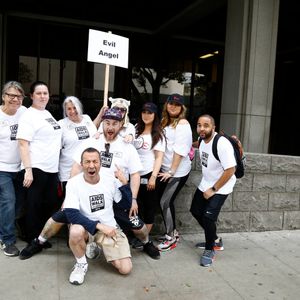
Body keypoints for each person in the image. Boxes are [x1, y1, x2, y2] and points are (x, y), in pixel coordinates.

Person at [64, 147, 132, 285]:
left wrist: (124, 183)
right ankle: (81, 264)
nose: (91, 165)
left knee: (125, 269)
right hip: (86, 229)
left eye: (95, 161)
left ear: (100, 163)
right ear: (82, 164)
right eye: (87, 162)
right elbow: (71, 214)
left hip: (109, 229)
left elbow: (124, 204)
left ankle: (96, 246)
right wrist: (98, 226)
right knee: (75, 230)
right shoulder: (73, 183)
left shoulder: (110, 180)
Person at [16, 81, 62, 243]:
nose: (43, 96)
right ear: (31, 96)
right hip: (36, 167)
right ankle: (32, 237)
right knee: (34, 205)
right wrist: (28, 170)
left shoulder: (47, 114)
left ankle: (40, 236)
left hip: (51, 168)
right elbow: (22, 144)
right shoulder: (29, 115)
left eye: (45, 93)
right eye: (39, 93)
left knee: (49, 204)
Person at [190, 114, 236, 267]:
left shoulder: (222, 144)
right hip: (207, 182)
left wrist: (214, 189)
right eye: (199, 125)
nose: (201, 128)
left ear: (213, 128)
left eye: (206, 125)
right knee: (195, 210)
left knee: (209, 218)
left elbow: (230, 170)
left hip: (222, 186)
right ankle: (214, 239)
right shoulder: (202, 139)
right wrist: (189, 145)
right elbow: (199, 144)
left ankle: (210, 249)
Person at [157, 93, 193, 251]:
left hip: (177, 172)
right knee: (166, 202)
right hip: (165, 169)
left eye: (177, 105)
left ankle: (171, 237)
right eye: (171, 103)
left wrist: (171, 171)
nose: (173, 106)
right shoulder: (166, 121)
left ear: (181, 108)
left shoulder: (183, 124)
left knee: (165, 202)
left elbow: (180, 151)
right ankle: (173, 232)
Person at [133, 102, 165, 246]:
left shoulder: (158, 134)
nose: (146, 115)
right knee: (136, 205)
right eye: (144, 112)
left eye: (150, 112)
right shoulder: (135, 129)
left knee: (148, 207)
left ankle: (144, 238)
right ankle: (137, 234)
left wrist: (153, 177)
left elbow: (159, 157)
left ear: (155, 115)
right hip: (134, 175)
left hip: (149, 175)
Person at [0, 81, 27, 256]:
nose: (15, 99)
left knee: (18, 203)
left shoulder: (24, 113)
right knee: (8, 201)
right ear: (3, 96)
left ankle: (5, 226)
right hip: (2, 168)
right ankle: (7, 239)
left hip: (21, 168)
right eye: (11, 95)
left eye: (18, 96)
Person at [58, 96, 97, 193]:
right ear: (65, 111)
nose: (72, 111)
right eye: (69, 109)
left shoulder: (87, 119)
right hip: (68, 171)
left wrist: (101, 114)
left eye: (74, 108)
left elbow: (93, 131)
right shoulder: (61, 124)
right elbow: (55, 148)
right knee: (70, 202)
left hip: (87, 170)